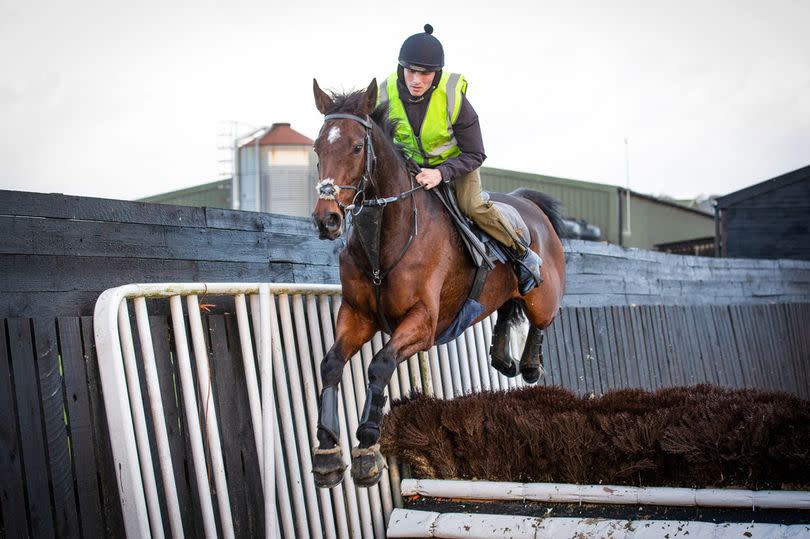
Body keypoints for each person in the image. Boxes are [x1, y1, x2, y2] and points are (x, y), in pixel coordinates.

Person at [378, 24, 543, 295]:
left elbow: (476, 153)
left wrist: (441, 173)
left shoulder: (453, 98)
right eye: (410, 71)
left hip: (457, 165)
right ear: (401, 69)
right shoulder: (384, 94)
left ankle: (522, 254)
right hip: (412, 167)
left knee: (472, 206)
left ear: (437, 74)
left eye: (424, 73)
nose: (416, 80)